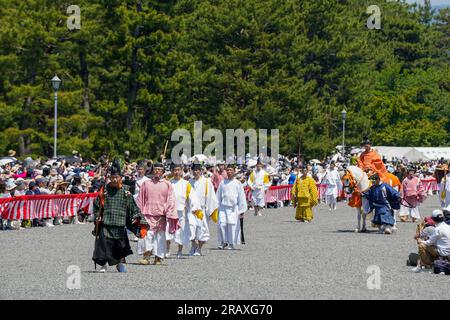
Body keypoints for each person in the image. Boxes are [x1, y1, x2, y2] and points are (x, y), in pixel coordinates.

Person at [92, 160, 146, 273]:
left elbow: (132, 206)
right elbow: (97, 204)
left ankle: (120, 264)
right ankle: (103, 265)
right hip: (106, 222)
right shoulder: (104, 190)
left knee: (121, 247)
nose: (114, 180)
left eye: (117, 177)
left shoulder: (126, 191)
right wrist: (97, 215)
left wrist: (137, 216)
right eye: (112, 177)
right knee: (103, 246)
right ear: (110, 178)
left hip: (120, 222)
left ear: (120, 177)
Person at [136, 162, 177, 265]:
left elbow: (171, 199)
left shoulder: (167, 184)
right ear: (152, 170)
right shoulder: (146, 183)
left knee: (160, 236)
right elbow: (140, 199)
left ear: (163, 172)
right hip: (148, 213)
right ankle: (146, 256)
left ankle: (158, 257)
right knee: (147, 235)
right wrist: (138, 213)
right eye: (155, 169)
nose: (157, 171)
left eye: (159, 169)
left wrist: (168, 212)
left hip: (161, 215)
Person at [166, 163, 201, 259]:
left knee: (180, 232)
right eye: (174, 170)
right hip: (169, 211)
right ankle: (167, 249)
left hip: (181, 210)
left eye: (178, 170)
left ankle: (179, 251)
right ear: (172, 171)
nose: (176, 172)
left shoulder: (186, 184)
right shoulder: (168, 183)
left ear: (181, 171)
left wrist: (194, 207)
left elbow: (192, 197)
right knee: (167, 231)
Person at [188, 163, 218, 256]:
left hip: (202, 209)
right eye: (194, 170)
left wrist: (210, 210)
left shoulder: (206, 182)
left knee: (202, 229)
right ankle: (193, 244)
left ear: (201, 171)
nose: (196, 172)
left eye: (198, 170)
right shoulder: (189, 182)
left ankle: (199, 249)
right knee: (190, 229)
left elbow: (211, 196)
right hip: (191, 209)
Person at [216, 164, 247, 250]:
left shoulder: (238, 183)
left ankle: (231, 243)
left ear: (234, 171)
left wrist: (242, 211)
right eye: (228, 170)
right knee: (222, 224)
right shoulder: (222, 183)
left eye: (231, 170)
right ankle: (223, 242)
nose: (229, 172)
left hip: (233, 208)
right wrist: (216, 207)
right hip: (223, 207)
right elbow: (218, 196)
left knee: (231, 226)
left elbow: (241, 197)